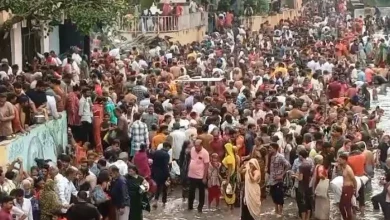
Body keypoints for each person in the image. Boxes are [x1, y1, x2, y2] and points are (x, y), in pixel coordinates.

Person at [269, 142, 291, 217]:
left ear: (275, 148)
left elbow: (288, 165)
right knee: (273, 195)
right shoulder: (271, 156)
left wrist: (282, 175)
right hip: (272, 179)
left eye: (270, 148)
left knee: (279, 196)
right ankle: (276, 210)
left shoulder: (280, 157)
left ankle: (280, 212)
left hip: (278, 180)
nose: (269, 149)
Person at [187, 138, 209, 213]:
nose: (196, 147)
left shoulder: (205, 153)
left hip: (200, 176)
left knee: (201, 192)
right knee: (191, 191)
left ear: (201, 145)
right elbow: (191, 158)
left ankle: (200, 207)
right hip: (191, 175)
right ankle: (190, 206)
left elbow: (206, 165)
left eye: (198, 146)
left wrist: (204, 177)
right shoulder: (192, 149)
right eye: (195, 145)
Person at [151, 142, 171, 207]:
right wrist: (168, 175)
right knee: (165, 188)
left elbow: (153, 162)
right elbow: (166, 166)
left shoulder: (156, 152)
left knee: (158, 187)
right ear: (167, 147)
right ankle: (164, 202)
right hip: (163, 173)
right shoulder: (166, 155)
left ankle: (155, 201)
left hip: (155, 172)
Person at [338, 153, 357, 220]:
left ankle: (349, 218)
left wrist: (355, 189)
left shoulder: (349, 169)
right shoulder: (343, 167)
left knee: (347, 206)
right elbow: (339, 171)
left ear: (345, 160)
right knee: (341, 206)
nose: (339, 161)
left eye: (340, 160)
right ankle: (345, 218)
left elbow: (354, 180)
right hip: (345, 188)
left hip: (349, 188)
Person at [312, 155, 330, 220]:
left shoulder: (315, 167)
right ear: (320, 160)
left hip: (316, 187)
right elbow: (320, 175)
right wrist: (325, 178)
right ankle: (323, 217)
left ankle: (317, 216)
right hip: (321, 187)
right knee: (324, 203)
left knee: (318, 203)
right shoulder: (321, 167)